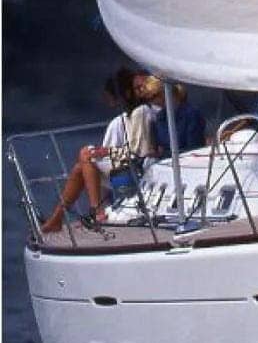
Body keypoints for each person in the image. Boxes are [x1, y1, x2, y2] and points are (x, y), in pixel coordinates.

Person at [40, 72, 160, 233]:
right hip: (130, 164)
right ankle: (57, 218)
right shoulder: (136, 115)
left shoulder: (141, 113)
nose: (139, 92)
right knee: (81, 165)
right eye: (137, 88)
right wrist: (105, 152)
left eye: (141, 88)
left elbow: (138, 153)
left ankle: (95, 211)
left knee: (85, 155)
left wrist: (107, 151)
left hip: (137, 167)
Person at [153, 82, 206, 155]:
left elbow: (193, 145)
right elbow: (160, 145)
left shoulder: (191, 114)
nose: (158, 101)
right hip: (166, 158)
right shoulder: (160, 116)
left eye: (160, 97)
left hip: (187, 157)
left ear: (174, 96)